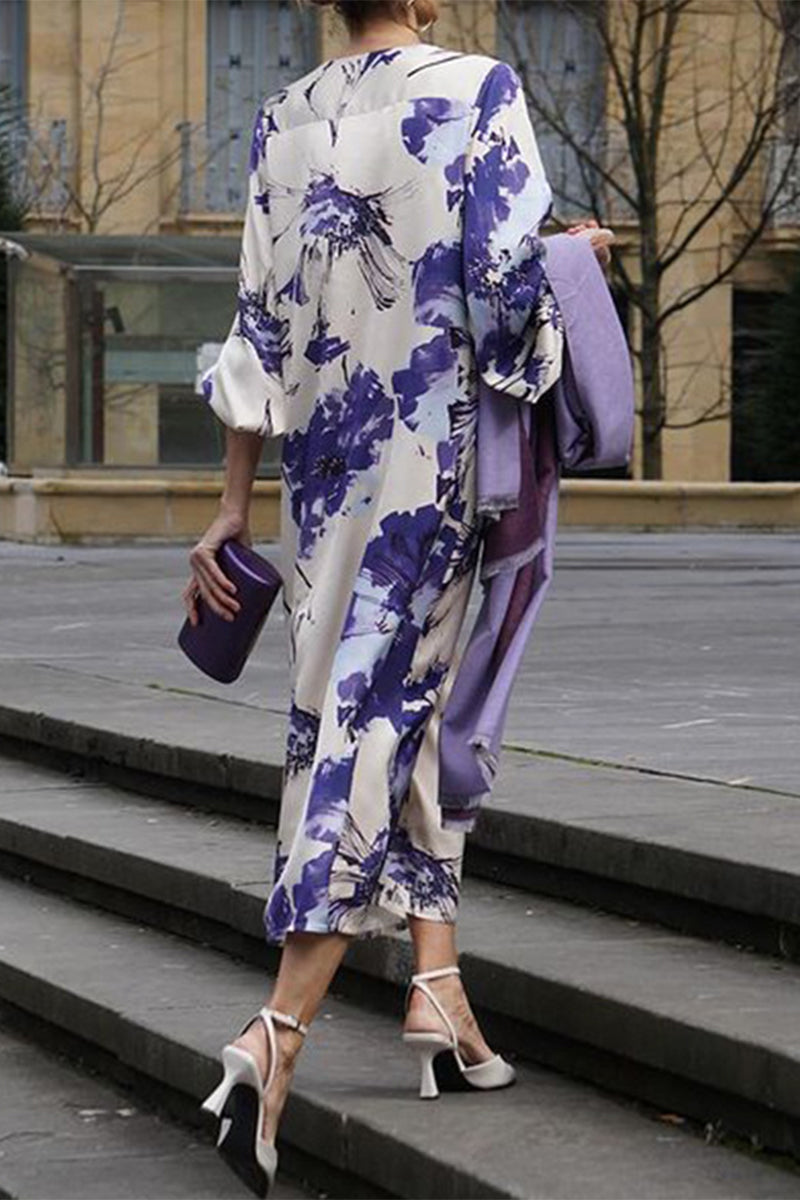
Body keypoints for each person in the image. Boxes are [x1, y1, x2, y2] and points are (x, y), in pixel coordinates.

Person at [184, 1, 610, 1194]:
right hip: (430, 472)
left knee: (373, 713)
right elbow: (509, 294)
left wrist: (229, 506)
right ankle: (270, 1040)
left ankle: (439, 1000)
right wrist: (579, 264)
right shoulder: (475, 90)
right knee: (370, 733)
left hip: (320, 481)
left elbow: (254, 336)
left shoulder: (281, 118)